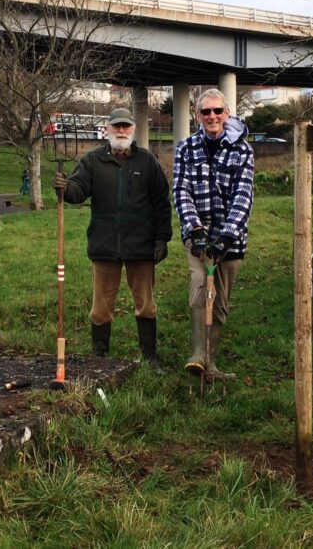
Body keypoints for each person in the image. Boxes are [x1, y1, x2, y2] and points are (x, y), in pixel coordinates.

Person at [53, 108, 172, 370]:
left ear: (132, 130)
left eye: (126, 127)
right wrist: (65, 187)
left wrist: (163, 238)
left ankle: (150, 357)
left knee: (146, 305)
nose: (121, 131)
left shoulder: (147, 161)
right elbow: (78, 189)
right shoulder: (93, 160)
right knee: (101, 307)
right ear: (107, 130)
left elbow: (161, 202)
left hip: (141, 246)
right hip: (105, 244)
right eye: (116, 127)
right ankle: (100, 358)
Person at [173, 88, 254, 377]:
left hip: (230, 238)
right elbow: (181, 191)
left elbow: (243, 196)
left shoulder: (242, 150)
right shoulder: (186, 148)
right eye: (206, 112)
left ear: (226, 114)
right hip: (198, 235)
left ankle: (211, 362)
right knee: (199, 282)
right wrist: (194, 229)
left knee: (219, 299)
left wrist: (228, 236)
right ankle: (198, 354)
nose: (212, 116)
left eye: (217, 111)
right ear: (197, 115)